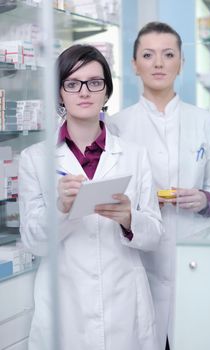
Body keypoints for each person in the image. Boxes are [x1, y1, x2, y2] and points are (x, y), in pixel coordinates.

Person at [18, 44, 164, 350]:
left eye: (94, 83)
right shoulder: (35, 159)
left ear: (106, 92)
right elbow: (33, 241)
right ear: (60, 93)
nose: (84, 92)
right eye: (72, 84)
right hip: (65, 305)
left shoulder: (134, 156)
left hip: (124, 305)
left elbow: (154, 236)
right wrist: (60, 208)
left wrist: (128, 219)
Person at [107, 22, 210, 350]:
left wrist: (203, 197)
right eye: (148, 55)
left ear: (181, 63)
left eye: (168, 54)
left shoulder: (203, 121)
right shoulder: (117, 125)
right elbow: (110, 193)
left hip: (194, 257)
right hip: (137, 262)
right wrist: (141, 203)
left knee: (196, 337)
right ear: (134, 64)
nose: (158, 63)